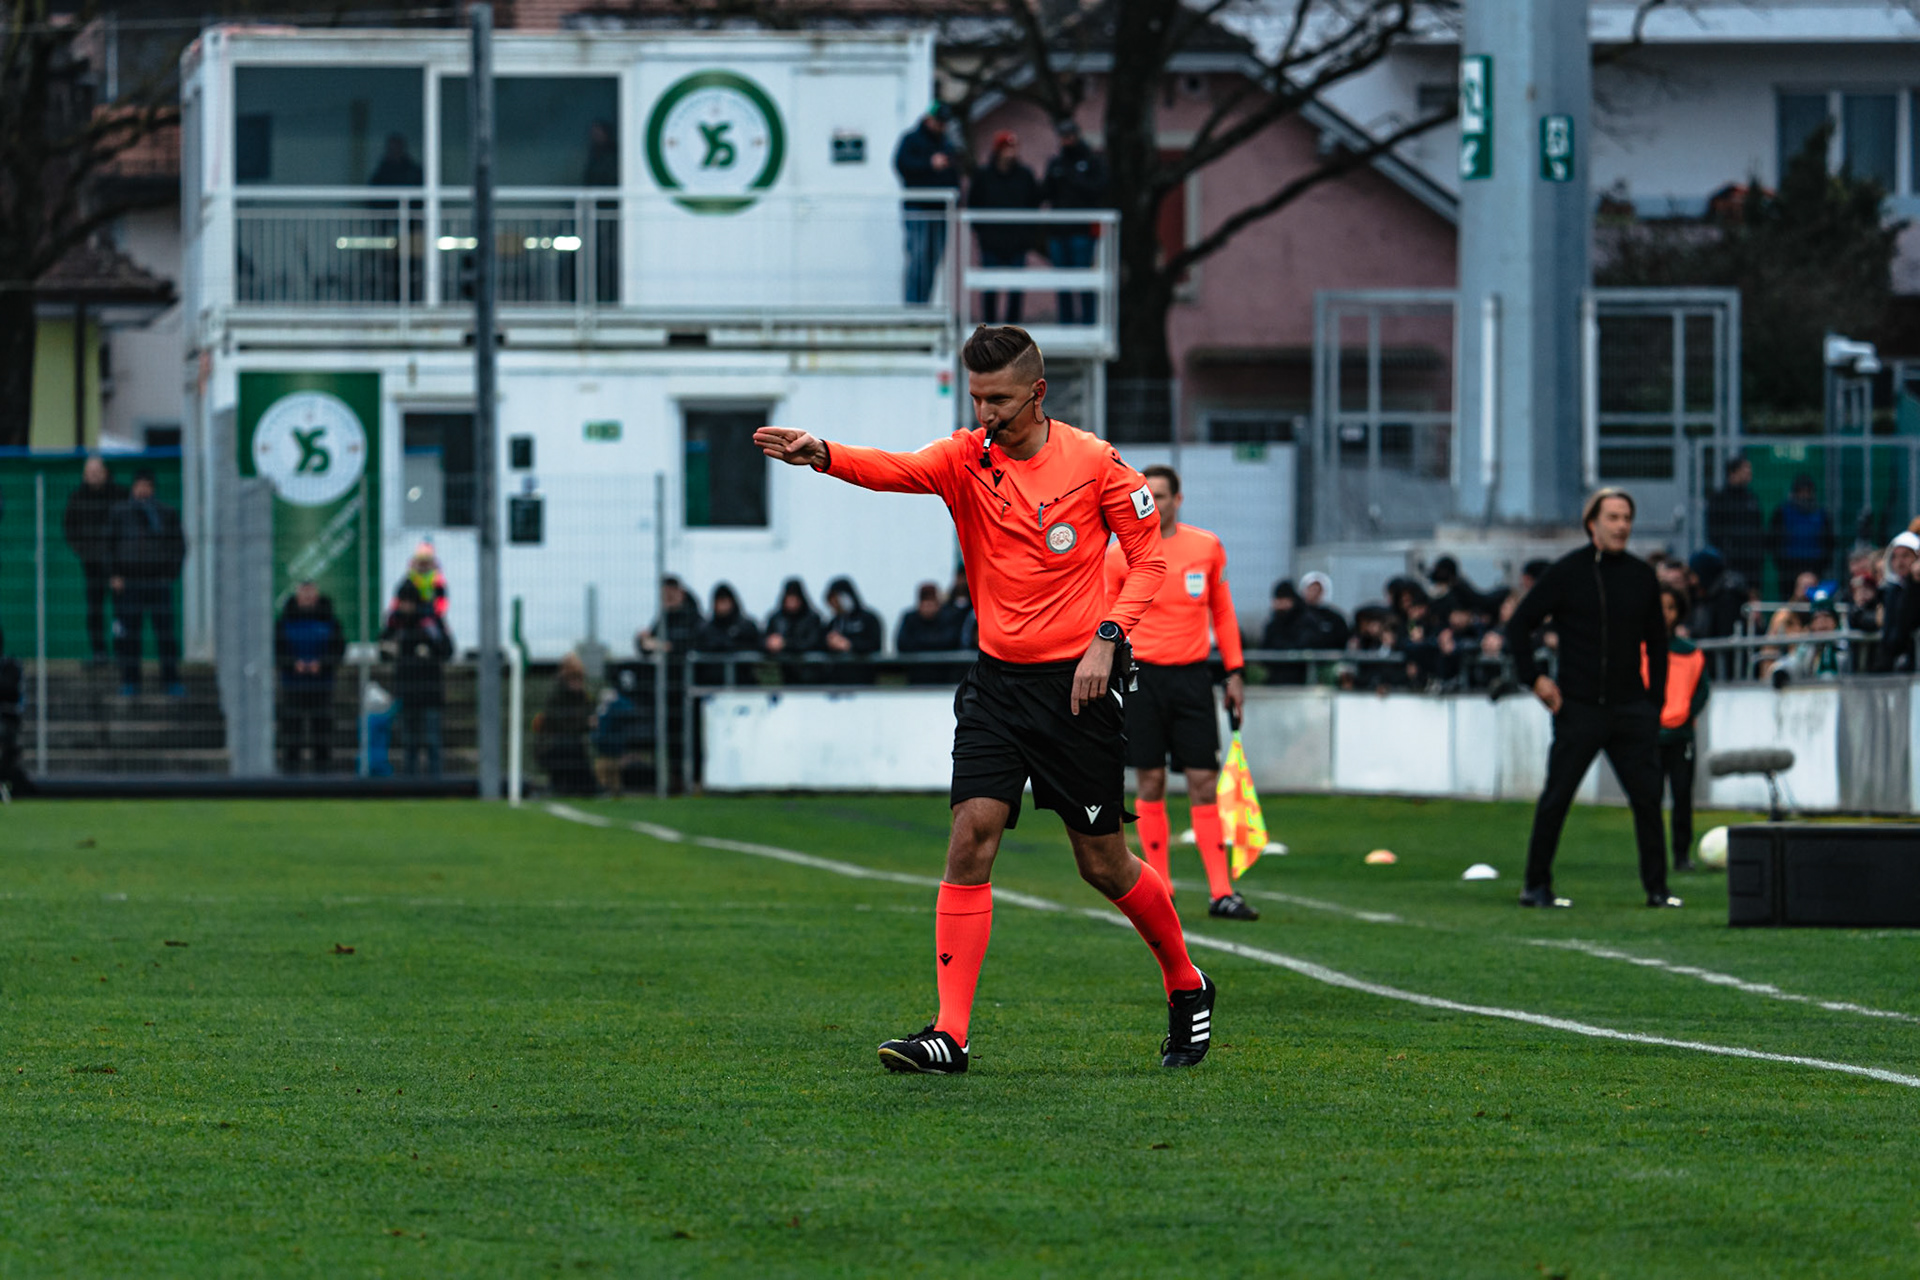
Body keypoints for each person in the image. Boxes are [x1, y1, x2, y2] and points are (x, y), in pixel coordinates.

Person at [754, 323, 1212, 1074]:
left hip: (1077, 690)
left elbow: (1148, 560)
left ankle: (1186, 982)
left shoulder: (1095, 463)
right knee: (971, 835)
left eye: (997, 399)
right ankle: (950, 1034)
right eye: (974, 397)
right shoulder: (967, 458)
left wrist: (1109, 634)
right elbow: (896, 469)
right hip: (996, 686)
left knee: (1102, 864)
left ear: (1036, 393)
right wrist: (825, 454)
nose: (984, 413)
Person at [1505, 489, 1678, 910]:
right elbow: (1519, 625)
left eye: (1627, 518)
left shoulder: (1640, 576)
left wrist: (1654, 702)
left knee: (1648, 800)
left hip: (1630, 707)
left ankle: (1658, 889)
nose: (1622, 526)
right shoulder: (1567, 572)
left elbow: (1657, 643)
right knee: (1557, 796)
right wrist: (1536, 681)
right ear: (1592, 523)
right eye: (1613, 517)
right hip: (1578, 705)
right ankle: (1536, 885)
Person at [1104, 464, 1256, 920]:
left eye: (1163, 495)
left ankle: (1220, 891)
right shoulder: (1118, 555)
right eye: (1147, 495)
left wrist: (1235, 672)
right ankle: (1162, 889)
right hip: (1141, 678)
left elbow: (1224, 614)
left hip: (1192, 678)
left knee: (1203, 782)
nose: (1156, 502)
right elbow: (1105, 620)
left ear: (1178, 500)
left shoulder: (1206, 547)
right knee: (1149, 781)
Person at [106, 470, 186, 696]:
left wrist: (169, 574)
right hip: (129, 584)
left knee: (165, 634)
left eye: (146, 486)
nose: (142, 490)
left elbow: (178, 546)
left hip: (158, 583)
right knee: (129, 635)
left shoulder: (166, 513)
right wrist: (115, 574)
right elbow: (108, 546)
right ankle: (130, 680)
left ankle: (171, 680)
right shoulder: (120, 512)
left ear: (153, 488)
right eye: (138, 485)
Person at [1646, 586, 1709, 873]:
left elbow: (1702, 691)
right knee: (1650, 798)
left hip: (1681, 735)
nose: (1664, 613)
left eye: (1670, 607)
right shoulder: (1641, 649)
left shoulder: (1691, 653)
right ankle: (1653, 855)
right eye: (1659, 606)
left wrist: (1686, 715)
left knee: (1682, 796)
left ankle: (1681, 854)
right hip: (1650, 734)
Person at [382, 567, 454, 778]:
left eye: (407, 602)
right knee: (409, 742)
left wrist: (427, 651)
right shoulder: (394, 623)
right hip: (406, 691)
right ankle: (410, 783)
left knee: (432, 741)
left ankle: (435, 782)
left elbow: (447, 650)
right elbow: (384, 650)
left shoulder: (431, 622)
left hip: (430, 692)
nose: (404, 606)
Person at [968, 130, 1042, 324]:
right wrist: (983, 234)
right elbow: (973, 205)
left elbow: (1034, 204)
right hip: (991, 242)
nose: (1010, 153)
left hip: (1017, 243)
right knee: (990, 288)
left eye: (1013, 148)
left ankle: (1012, 328)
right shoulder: (984, 176)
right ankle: (990, 327)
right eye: (1006, 148)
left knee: (1016, 289)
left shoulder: (1025, 175)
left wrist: (1026, 235)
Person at [893, 102, 962, 304]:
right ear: (928, 119)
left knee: (933, 261)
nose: (942, 126)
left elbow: (954, 175)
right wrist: (929, 165)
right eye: (939, 121)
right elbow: (902, 165)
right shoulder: (912, 139)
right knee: (918, 260)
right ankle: (913, 307)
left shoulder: (947, 144)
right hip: (919, 210)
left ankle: (924, 305)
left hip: (940, 211)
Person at [274, 580, 345, 774]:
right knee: (292, 735)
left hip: (322, 686)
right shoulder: (284, 621)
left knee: (322, 735)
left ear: (316, 595)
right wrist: (292, 664)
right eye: (303, 593)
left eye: (309, 593)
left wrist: (321, 664)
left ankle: (322, 777)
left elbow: (338, 650)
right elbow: (277, 650)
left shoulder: (330, 621)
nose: (306, 597)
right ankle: (290, 777)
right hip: (293, 686)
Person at [1040, 119, 1108, 323]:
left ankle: (1088, 321)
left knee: (1084, 279)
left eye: (1069, 135)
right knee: (1062, 282)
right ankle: (1066, 321)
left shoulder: (1092, 162)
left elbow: (1098, 189)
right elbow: (1045, 193)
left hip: (1082, 231)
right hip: (1058, 232)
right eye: (1063, 136)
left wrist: (1072, 177)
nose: (1066, 140)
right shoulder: (1055, 163)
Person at [63, 456, 125, 664]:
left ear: (105, 472)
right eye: (90, 472)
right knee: (95, 610)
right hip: (91, 565)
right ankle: (99, 652)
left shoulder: (119, 496)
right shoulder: (78, 498)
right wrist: (85, 552)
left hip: (118, 566)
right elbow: (70, 528)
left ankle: (122, 652)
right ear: (84, 475)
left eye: (98, 472)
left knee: (121, 611)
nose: (94, 476)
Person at [535, 652, 597, 796]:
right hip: (552, 746)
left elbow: (590, 716)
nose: (577, 683)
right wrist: (585, 724)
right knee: (570, 744)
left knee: (575, 746)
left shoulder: (583, 696)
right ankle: (587, 787)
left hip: (574, 745)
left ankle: (585, 787)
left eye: (579, 679)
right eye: (573, 679)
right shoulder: (556, 697)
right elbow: (560, 725)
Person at [1705, 457, 1766, 588]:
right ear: (1733, 473)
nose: (1749, 473)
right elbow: (1714, 531)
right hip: (1729, 563)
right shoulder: (1719, 499)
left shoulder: (1752, 499)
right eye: (1745, 469)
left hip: (1752, 563)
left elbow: (1758, 528)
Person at [1769, 475, 1835, 591]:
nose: (1804, 495)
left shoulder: (1821, 514)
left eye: (1807, 491)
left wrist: (1821, 565)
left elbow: (1829, 542)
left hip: (1815, 567)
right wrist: (1782, 563)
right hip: (1788, 570)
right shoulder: (1782, 512)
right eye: (1801, 491)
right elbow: (1773, 540)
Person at [692, 583, 762, 685]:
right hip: (712, 685)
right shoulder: (705, 629)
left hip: (743, 685)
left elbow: (756, 648)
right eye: (719, 602)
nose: (722, 606)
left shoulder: (747, 626)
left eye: (725, 601)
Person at [1872, 531, 1919, 673]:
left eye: (1905, 556)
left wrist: (1915, 582)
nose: (1899, 562)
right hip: (1893, 664)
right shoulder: (1890, 590)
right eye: (1895, 557)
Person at [822, 576, 884, 683]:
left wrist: (849, 645)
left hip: (863, 680)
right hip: (837, 681)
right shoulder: (834, 623)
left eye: (837, 600)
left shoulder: (868, 619)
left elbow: (875, 645)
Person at [763, 578, 825, 683]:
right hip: (780, 674)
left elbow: (814, 642)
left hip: (809, 674)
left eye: (794, 598)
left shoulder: (812, 618)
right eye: (789, 598)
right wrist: (769, 643)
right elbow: (763, 639)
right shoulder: (776, 619)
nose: (791, 602)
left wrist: (785, 644)